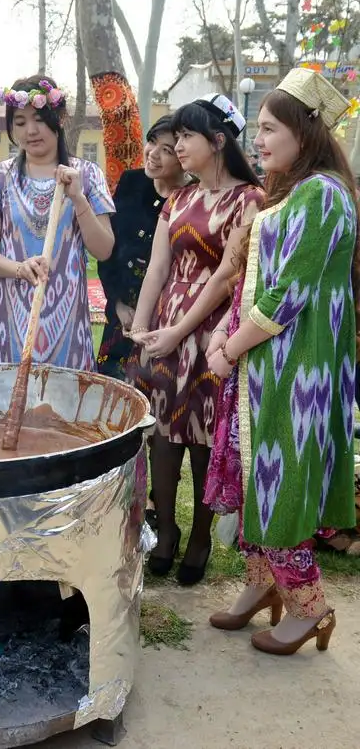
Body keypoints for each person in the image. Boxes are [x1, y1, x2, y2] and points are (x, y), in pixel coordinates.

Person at [205, 68, 358, 654]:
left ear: (305, 131)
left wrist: (228, 348)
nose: (258, 141)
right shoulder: (292, 191)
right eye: (258, 130)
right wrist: (227, 337)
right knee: (253, 479)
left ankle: (309, 607)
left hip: (298, 373)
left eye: (269, 129)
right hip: (264, 366)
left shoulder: (323, 194)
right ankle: (261, 586)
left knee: (281, 484)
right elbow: (252, 281)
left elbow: (288, 294)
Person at [128, 94, 264, 585]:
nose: (177, 145)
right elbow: (157, 269)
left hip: (213, 331)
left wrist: (178, 332)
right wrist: (141, 330)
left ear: (218, 141)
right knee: (163, 435)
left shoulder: (250, 199)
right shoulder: (177, 199)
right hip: (167, 325)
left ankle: (201, 539)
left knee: (206, 433)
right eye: (176, 137)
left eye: (187, 136)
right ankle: (166, 532)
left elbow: (228, 277)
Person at [0, 75, 114, 370]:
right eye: (20, 122)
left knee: (64, 412)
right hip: (10, 320)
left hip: (67, 324)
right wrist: (18, 268)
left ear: (59, 118)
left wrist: (78, 199)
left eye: (39, 119)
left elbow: (104, 250)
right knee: (7, 410)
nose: (31, 130)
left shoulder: (87, 175)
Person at [96, 97, 188, 379]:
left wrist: (145, 317)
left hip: (165, 321)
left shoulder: (190, 199)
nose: (153, 154)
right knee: (108, 392)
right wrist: (118, 303)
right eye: (151, 142)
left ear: (184, 157)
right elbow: (108, 248)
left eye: (167, 150)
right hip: (121, 315)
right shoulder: (131, 182)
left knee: (154, 396)